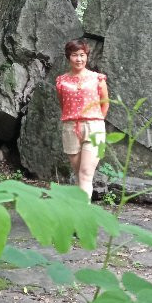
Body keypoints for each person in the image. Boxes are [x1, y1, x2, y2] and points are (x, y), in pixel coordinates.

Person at [55, 39, 109, 200]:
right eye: (74, 55)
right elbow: (63, 104)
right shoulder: (61, 81)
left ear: (87, 56)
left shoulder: (97, 79)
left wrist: (96, 123)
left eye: (82, 55)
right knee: (79, 175)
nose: (79, 59)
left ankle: (83, 216)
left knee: (86, 173)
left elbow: (104, 104)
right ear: (68, 57)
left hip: (94, 128)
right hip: (70, 128)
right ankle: (80, 212)